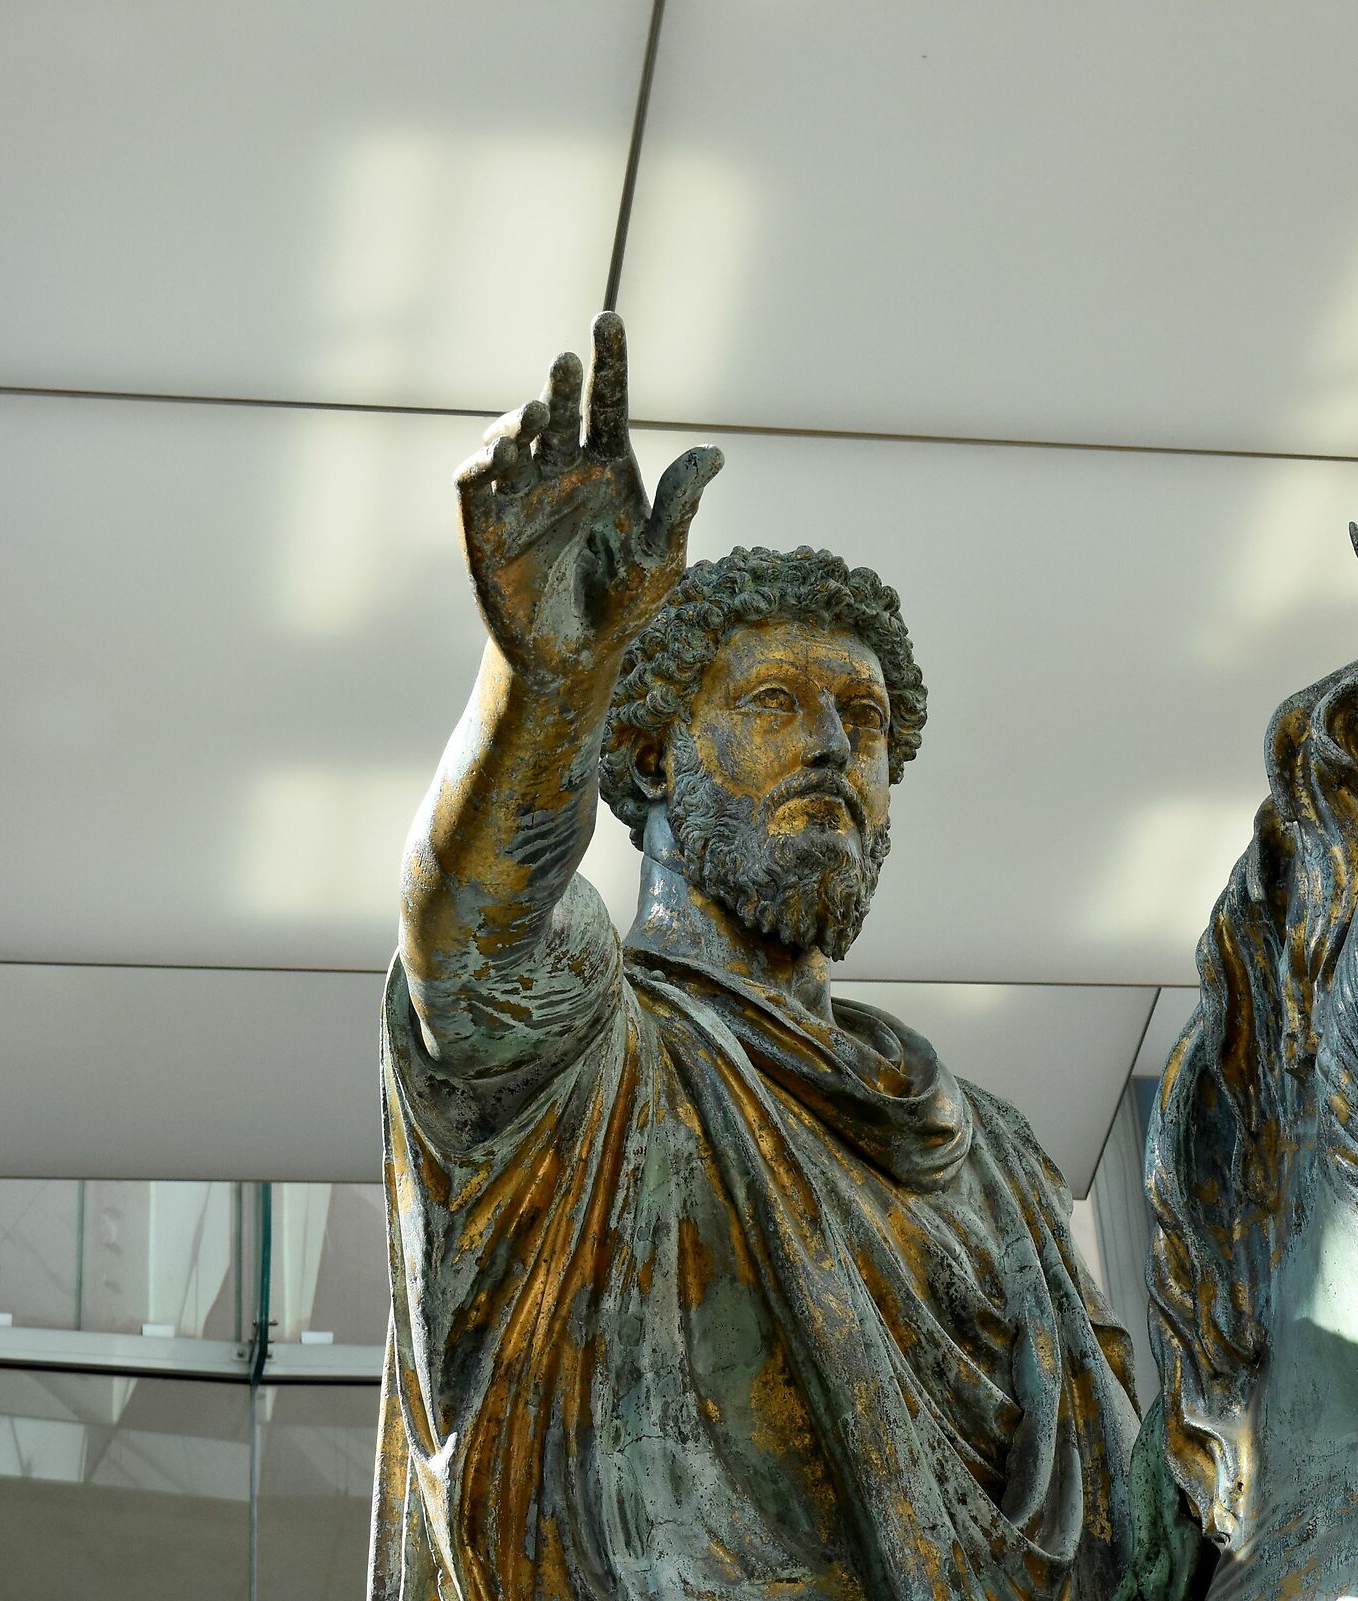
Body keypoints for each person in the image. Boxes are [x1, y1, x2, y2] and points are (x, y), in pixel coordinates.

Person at [372, 312, 1137, 1601]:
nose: (837, 748)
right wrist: (551, 691)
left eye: (868, 723)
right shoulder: (595, 1053)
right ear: (653, 754)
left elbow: (1139, 1535)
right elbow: (472, 948)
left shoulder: (996, 1154)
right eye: (777, 705)